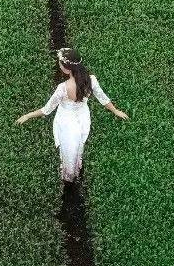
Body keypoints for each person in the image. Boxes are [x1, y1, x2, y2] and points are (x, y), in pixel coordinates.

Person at [16, 46, 128, 183]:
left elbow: (46, 110)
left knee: (68, 147)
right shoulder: (91, 80)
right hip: (82, 118)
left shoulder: (63, 88)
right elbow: (102, 98)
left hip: (66, 121)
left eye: (60, 63)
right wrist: (115, 111)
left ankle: (68, 174)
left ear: (66, 68)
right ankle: (76, 168)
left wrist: (27, 116)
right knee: (77, 144)